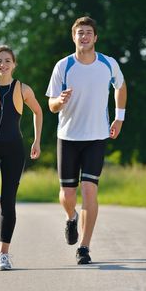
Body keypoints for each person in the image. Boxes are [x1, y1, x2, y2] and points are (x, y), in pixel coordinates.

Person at [46, 16, 127, 264]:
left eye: (88, 32)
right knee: (67, 194)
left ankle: (84, 247)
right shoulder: (63, 66)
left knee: (89, 190)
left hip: (97, 136)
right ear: (74, 37)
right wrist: (60, 101)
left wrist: (119, 118)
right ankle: (71, 219)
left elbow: (121, 87)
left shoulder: (108, 63)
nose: (84, 36)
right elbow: (50, 105)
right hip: (68, 137)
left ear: (95, 37)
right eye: (80, 32)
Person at [0, 45, 43, 271]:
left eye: (7, 60)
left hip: (14, 147)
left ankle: (3, 254)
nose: (2, 65)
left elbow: (38, 111)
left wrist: (36, 140)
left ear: (14, 64)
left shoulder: (23, 89)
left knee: (9, 201)